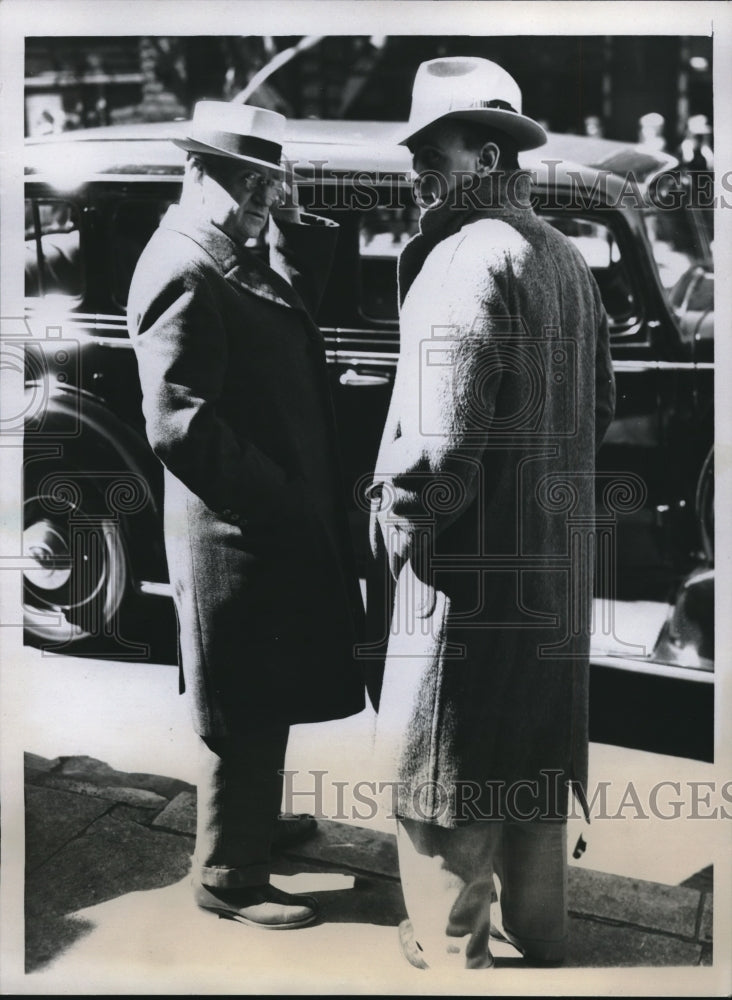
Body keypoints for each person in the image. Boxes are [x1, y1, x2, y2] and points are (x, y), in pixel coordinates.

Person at [366, 57, 616, 969]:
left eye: (427, 152)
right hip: (549, 572)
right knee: (533, 764)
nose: (414, 173)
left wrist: (396, 530)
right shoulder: (565, 258)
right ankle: (542, 936)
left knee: (447, 782)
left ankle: (452, 958)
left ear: (479, 154)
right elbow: (600, 406)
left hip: (465, 582)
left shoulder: (466, 256)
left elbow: (438, 451)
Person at [127, 101, 365, 930]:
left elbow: (284, 320)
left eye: (271, 183)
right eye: (248, 184)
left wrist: (288, 220)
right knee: (248, 702)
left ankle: (254, 828)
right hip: (239, 524)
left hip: (264, 514)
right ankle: (230, 873)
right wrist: (277, 494)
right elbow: (178, 422)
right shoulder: (185, 266)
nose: (263, 199)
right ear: (199, 175)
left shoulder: (228, 247)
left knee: (274, 681)